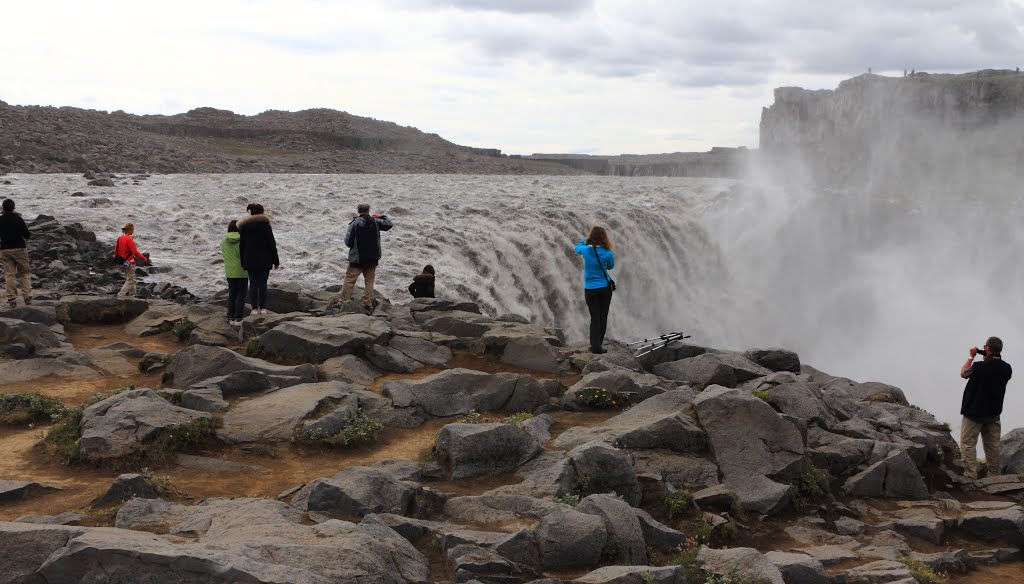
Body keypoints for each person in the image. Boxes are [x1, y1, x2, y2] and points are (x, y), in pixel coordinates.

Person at [959, 336, 1013, 479]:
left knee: (968, 443)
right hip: (993, 414)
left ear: (987, 348)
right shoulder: (1007, 369)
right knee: (993, 447)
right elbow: (995, 366)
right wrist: (987, 357)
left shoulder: (978, 367)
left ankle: (970, 475)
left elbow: (963, 373)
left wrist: (971, 356)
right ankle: (994, 476)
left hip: (973, 413)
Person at [340, 203, 393, 306]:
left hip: (357, 259)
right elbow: (389, 224)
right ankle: (366, 302)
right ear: (369, 210)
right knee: (369, 281)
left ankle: (343, 302)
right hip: (373, 258)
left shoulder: (354, 224)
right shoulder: (376, 222)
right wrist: (382, 216)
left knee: (350, 280)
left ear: (358, 211)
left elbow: (348, 242)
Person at [574, 226, 615, 354]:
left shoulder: (585, 250)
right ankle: (599, 346)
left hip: (590, 289)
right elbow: (611, 266)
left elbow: (577, 247)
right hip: (604, 288)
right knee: (603, 317)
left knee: (594, 318)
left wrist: (586, 240)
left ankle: (594, 346)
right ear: (604, 238)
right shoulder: (607, 252)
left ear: (591, 237)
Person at [237, 203, 280, 315]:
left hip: (249, 260)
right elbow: (271, 244)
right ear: (262, 212)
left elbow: (242, 246)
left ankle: (254, 308)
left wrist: (242, 262)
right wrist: (276, 261)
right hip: (265, 260)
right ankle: (263, 308)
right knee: (263, 284)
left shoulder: (244, 227)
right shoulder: (265, 226)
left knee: (253, 284)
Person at [0, 199, 32, 308]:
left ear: (3, 208)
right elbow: (27, 235)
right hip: (19, 248)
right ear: (13, 208)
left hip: (4, 249)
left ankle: (11, 299)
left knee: (9, 274)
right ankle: (27, 297)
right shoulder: (18, 219)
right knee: (24, 273)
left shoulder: (0, 220)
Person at [221, 220, 248, 325]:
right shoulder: (243, 240)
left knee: (232, 294)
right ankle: (238, 318)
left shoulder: (224, 240)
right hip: (242, 271)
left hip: (229, 271)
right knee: (241, 295)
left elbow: (224, 254)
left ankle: (230, 317)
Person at [113, 223, 149, 298]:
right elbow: (135, 252)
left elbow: (115, 251)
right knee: (130, 280)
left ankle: (132, 295)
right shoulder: (129, 239)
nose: (133, 231)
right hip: (129, 262)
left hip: (121, 262)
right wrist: (144, 258)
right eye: (132, 229)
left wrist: (117, 262)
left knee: (132, 279)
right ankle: (121, 295)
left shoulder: (120, 238)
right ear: (129, 230)